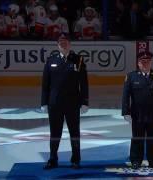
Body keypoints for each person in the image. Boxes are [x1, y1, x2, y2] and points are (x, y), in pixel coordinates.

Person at [41, 34, 89, 169]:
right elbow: (45, 84)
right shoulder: (51, 60)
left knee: (74, 132)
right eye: (61, 42)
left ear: (70, 44)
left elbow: (84, 83)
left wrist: (85, 101)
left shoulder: (78, 60)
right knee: (55, 132)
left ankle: (75, 159)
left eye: (66, 42)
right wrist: (44, 102)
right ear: (57, 45)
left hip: (73, 103)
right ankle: (52, 158)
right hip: (54, 103)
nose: (63, 44)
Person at [122, 51, 153, 169]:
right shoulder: (131, 76)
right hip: (137, 114)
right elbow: (125, 96)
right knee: (137, 138)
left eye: (147, 62)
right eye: (142, 62)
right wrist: (126, 112)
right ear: (138, 63)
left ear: (151, 62)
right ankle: (136, 160)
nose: (145, 64)